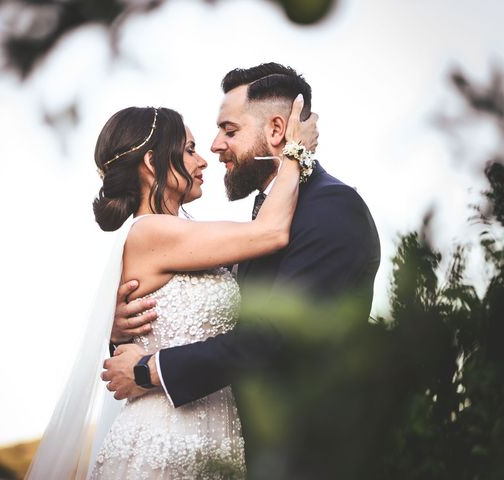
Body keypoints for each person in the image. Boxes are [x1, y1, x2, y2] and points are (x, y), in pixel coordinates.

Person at [102, 62, 382, 478]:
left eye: (228, 131)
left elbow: (276, 337)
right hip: (183, 444)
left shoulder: (329, 208)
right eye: (196, 144)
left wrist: (147, 368)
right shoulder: (239, 227)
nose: (213, 149)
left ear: (275, 131)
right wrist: (120, 331)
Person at [26, 97, 318, 480]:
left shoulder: (182, 236)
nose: (202, 161)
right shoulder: (151, 230)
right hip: (163, 444)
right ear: (151, 163)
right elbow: (271, 232)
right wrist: (296, 153)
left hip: (214, 436)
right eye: (191, 150)